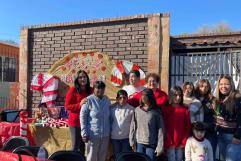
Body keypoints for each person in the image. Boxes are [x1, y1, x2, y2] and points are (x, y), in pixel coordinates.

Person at [129, 88, 164, 161]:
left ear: (150, 97)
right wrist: (131, 141)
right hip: (139, 143)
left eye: (146, 95)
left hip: (151, 144)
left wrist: (160, 146)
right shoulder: (137, 110)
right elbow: (133, 126)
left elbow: (161, 129)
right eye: (142, 95)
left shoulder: (156, 111)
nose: (143, 97)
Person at [80, 81, 111, 161]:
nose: (100, 90)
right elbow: (82, 117)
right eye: (98, 88)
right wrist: (84, 133)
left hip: (105, 135)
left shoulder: (107, 100)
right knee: (91, 158)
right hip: (92, 135)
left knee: (102, 157)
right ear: (94, 89)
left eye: (102, 88)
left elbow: (109, 116)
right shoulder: (88, 100)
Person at [64, 70, 92, 154]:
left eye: (84, 77)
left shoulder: (91, 90)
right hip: (75, 123)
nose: (83, 79)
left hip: (87, 122)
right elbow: (67, 106)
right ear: (77, 79)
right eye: (80, 77)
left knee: (83, 147)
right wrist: (79, 104)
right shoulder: (73, 90)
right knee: (75, 147)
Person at [215, 75, 241, 161]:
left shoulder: (237, 98)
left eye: (226, 84)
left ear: (232, 85)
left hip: (232, 137)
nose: (223, 86)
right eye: (221, 84)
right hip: (221, 135)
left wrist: (237, 136)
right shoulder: (220, 99)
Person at [162, 86, 191, 161]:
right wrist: (169, 141)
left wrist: (183, 141)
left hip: (180, 143)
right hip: (169, 142)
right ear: (171, 95)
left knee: (179, 158)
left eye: (180, 95)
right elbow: (164, 126)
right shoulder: (166, 109)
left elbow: (187, 127)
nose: (178, 97)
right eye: (175, 95)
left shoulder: (185, 110)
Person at [195, 79, 218, 158]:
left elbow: (214, 112)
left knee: (211, 155)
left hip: (210, 130)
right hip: (197, 130)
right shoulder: (194, 98)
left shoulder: (211, 99)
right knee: (199, 155)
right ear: (198, 87)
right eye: (201, 86)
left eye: (206, 87)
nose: (204, 89)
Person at [110, 90, 134, 157]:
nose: (122, 100)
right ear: (117, 99)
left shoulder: (131, 109)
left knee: (125, 157)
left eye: (124, 97)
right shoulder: (112, 109)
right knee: (117, 156)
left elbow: (133, 125)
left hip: (126, 138)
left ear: (127, 98)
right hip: (115, 137)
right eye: (120, 98)